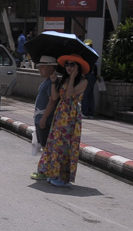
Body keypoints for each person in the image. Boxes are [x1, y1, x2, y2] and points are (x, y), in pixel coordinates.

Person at [33, 54, 90, 187]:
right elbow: (54, 96)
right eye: (67, 64)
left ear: (78, 67)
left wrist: (73, 77)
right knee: (55, 144)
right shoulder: (63, 80)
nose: (69, 67)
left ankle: (63, 177)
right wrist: (53, 82)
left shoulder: (83, 81)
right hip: (60, 115)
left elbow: (69, 95)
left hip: (71, 117)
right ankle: (52, 172)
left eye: (72, 65)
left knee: (65, 147)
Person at [29, 56, 60, 166]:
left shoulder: (53, 82)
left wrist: (44, 117)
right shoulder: (47, 81)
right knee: (43, 144)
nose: (40, 69)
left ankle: (46, 168)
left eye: (42, 67)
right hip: (40, 117)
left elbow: (52, 101)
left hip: (45, 118)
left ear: (51, 67)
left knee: (45, 146)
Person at [81, 39, 97, 118]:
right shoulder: (94, 53)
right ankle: (91, 113)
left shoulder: (86, 54)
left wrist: (83, 74)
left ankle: (85, 112)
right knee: (90, 94)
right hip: (93, 76)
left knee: (85, 94)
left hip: (88, 75)